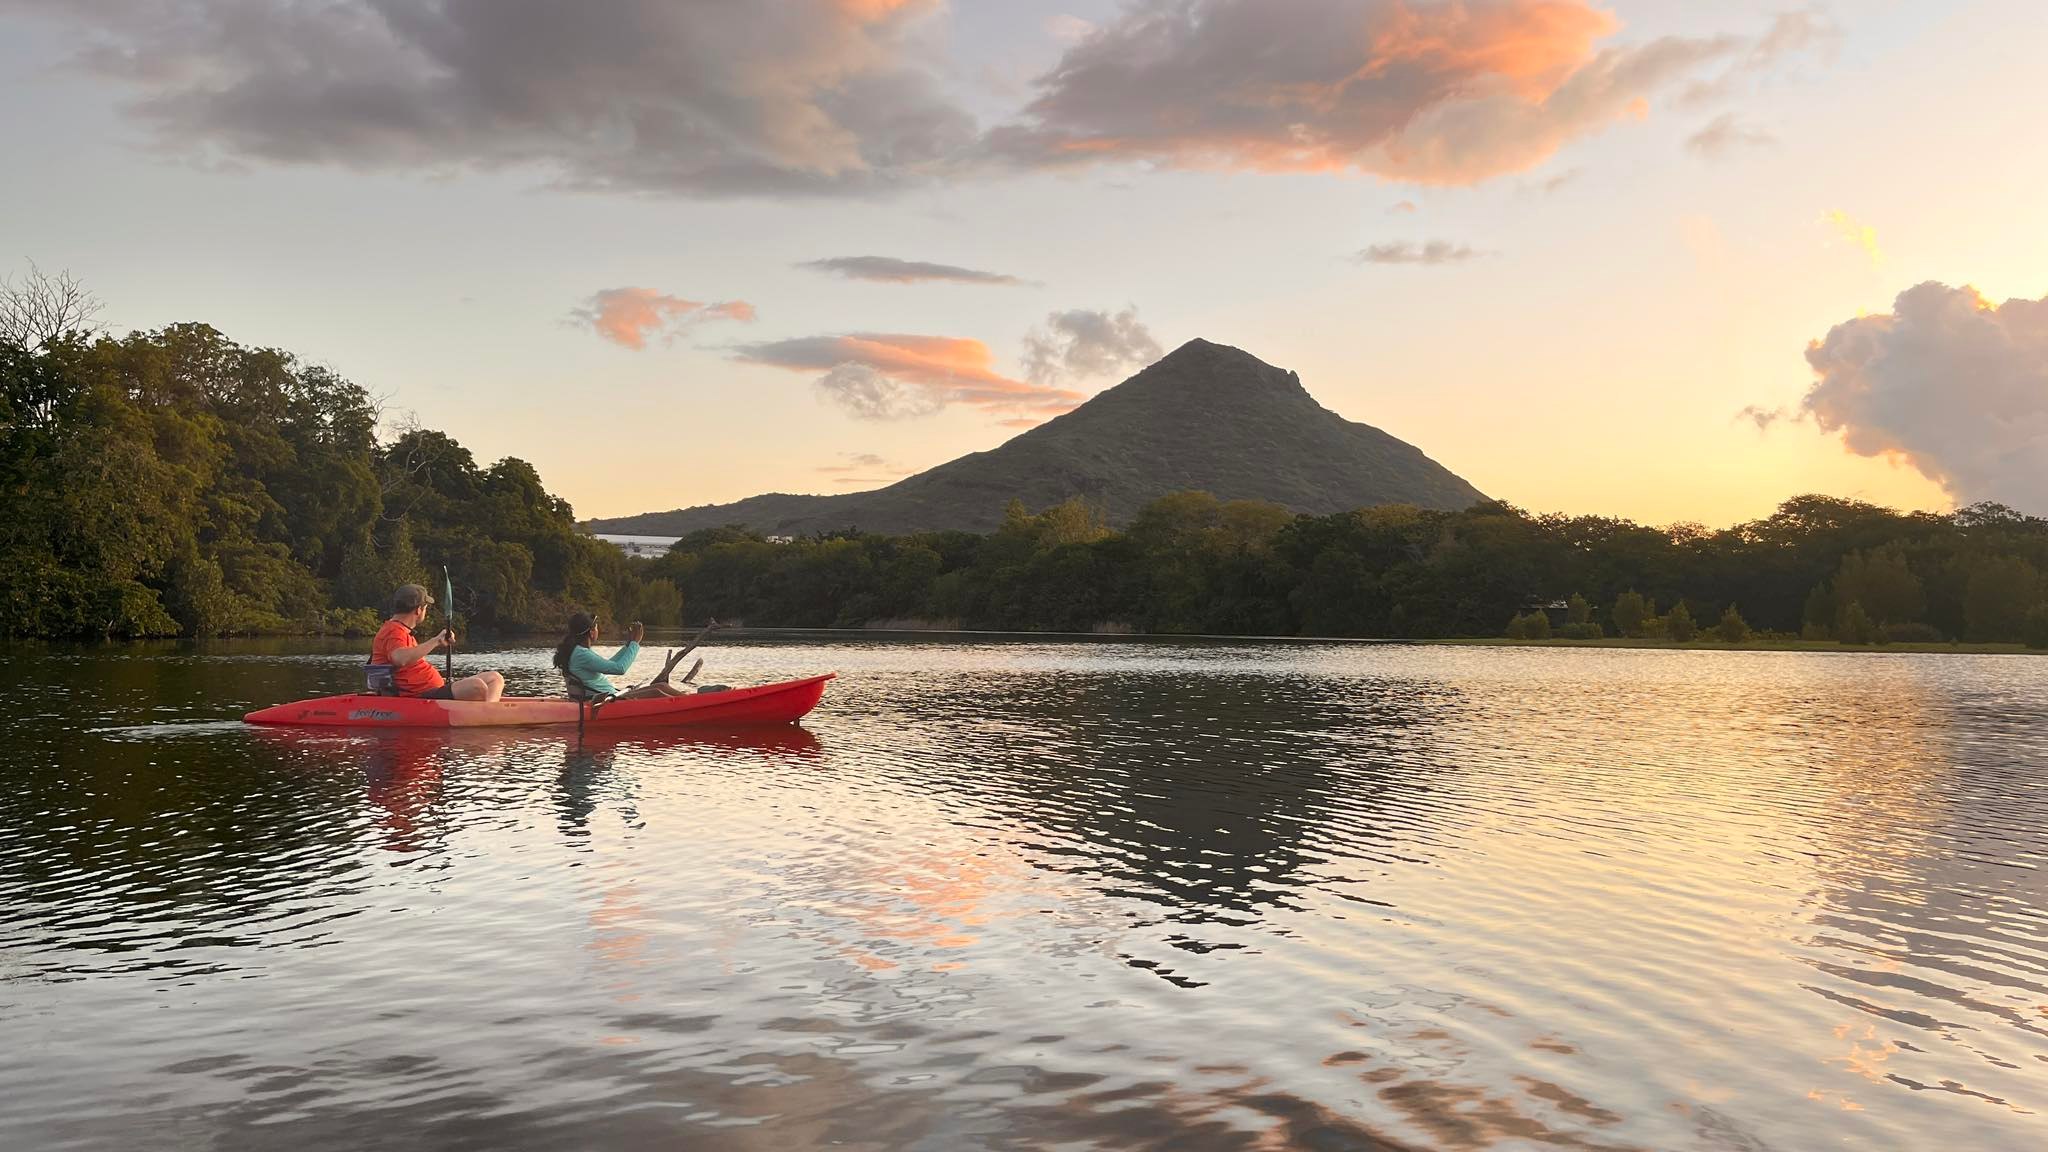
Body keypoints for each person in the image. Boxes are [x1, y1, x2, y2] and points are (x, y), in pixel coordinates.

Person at [371, 583, 506, 702]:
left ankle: (489, 712)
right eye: (425, 608)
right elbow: (399, 658)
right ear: (419, 610)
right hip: (420, 696)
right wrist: (436, 641)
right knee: (477, 686)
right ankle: (487, 714)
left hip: (434, 689)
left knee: (495, 678)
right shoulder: (394, 631)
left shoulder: (401, 630)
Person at [553, 613, 714, 702]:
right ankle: (693, 705)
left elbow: (610, 665)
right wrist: (636, 644)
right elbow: (619, 669)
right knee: (657, 691)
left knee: (662, 686)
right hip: (605, 701)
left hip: (607, 697)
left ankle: (692, 701)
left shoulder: (579, 651)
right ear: (590, 632)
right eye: (596, 627)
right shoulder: (581, 654)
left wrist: (628, 645)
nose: (598, 630)